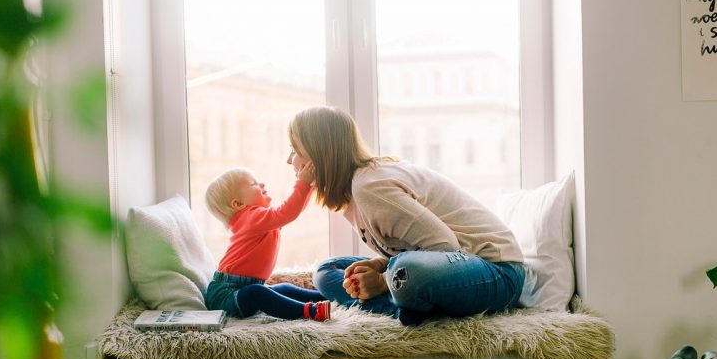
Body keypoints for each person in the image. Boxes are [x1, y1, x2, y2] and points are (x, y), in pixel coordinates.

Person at [286, 105, 526, 326]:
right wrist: (381, 267)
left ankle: (402, 303)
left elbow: (445, 246)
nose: (290, 160)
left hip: (497, 272)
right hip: (445, 266)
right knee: (327, 271)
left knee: (405, 271)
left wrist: (381, 280)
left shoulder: (369, 187)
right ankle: (406, 307)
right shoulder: (353, 194)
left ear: (320, 155)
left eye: (295, 150)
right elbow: (412, 250)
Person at [204, 164, 331, 322]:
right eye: (254, 184)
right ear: (238, 204)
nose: (262, 184)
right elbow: (287, 212)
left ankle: (327, 297)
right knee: (257, 293)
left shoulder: (258, 219)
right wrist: (303, 183)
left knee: (283, 288)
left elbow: (292, 212)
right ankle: (309, 311)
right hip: (226, 294)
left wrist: (310, 187)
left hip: (243, 287)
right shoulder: (251, 217)